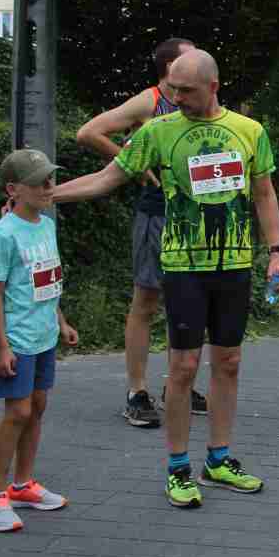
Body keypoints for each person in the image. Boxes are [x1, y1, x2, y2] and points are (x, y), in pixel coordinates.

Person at [53, 49, 279, 509]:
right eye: (173, 88)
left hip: (234, 264)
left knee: (229, 362)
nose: (176, 97)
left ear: (213, 87)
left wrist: (275, 252)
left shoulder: (249, 131)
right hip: (183, 267)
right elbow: (107, 178)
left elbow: (264, 193)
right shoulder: (158, 131)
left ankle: (218, 459)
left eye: (185, 90)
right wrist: (48, 197)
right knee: (183, 368)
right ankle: (178, 468)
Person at [76, 37, 206, 428]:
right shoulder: (149, 101)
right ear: (169, 67)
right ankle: (137, 392)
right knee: (146, 300)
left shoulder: (198, 101)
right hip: (156, 215)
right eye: (189, 57)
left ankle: (176, 386)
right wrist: (134, 163)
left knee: (185, 302)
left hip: (191, 217)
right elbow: (89, 132)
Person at [0, 150, 77, 532]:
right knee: (18, 413)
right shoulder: (4, 234)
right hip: (17, 338)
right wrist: (2, 346)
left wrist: (61, 322)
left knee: (37, 407)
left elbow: (48, 280)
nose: (48, 187)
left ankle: (22, 486)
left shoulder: (47, 225)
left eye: (50, 180)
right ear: (13, 189)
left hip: (44, 336)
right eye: (39, 182)